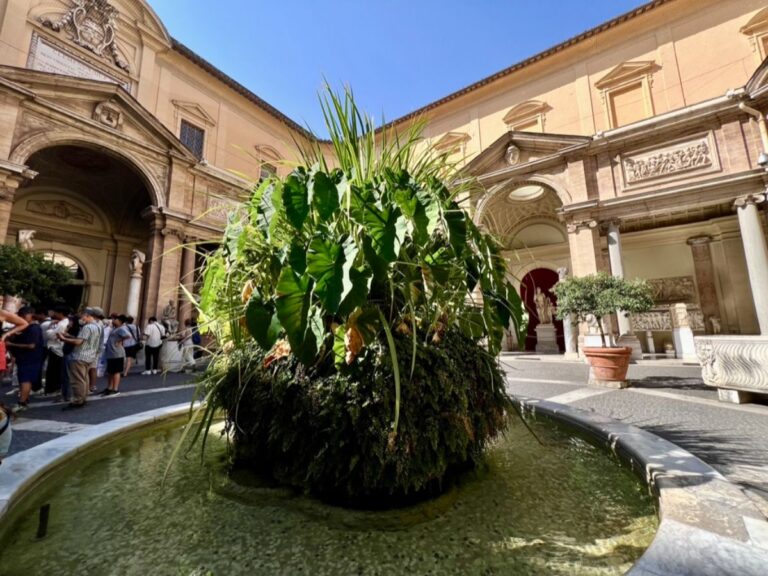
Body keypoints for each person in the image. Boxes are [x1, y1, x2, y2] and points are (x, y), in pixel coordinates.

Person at [57, 307, 102, 409]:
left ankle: (78, 400)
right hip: (90, 356)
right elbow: (85, 340)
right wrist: (69, 337)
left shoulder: (87, 327)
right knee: (84, 378)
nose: (81, 318)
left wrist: (64, 339)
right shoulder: (98, 326)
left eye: (82, 316)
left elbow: (79, 342)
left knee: (78, 380)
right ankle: (83, 398)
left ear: (87, 315)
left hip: (80, 356)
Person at [5, 307, 45, 413]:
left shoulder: (34, 328)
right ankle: (24, 400)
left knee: (25, 380)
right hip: (25, 358)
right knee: (24, 379)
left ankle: (22, 403)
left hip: (30, 358)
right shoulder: (27, 327)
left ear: (30, 315)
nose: (21, 318)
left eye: (23, 315)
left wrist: (12, 344)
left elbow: (31, 345)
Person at [100, 315, 131, 396]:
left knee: (116, 371)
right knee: (110, 371)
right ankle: (109, 388)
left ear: (120, 321)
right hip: (111, 353)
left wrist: (120, 340)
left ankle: (115, 389)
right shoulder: (115, 328)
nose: (113, 320)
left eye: (115, 319)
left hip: (117, 353)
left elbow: (128, 335)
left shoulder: (121, 328)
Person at [43, 306, 70, 397]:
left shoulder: (62, 324)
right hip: (56, 348)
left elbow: (51, 335)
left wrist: (50, 328)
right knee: (53, 370)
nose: (54, 314)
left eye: (56, 312)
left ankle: (54, 389)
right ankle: (53, 389)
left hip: (57, 349)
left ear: (60, 313)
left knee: (54, 371)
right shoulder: (62, 322)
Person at [87, 308, 106, 393]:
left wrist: (98, 349)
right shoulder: (99, 323)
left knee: (92, 368)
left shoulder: (98, 324)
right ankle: (91, 385)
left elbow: (100, 338)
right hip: (95, 348)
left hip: (94, 348)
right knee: (92, 368)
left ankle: (92, 385)